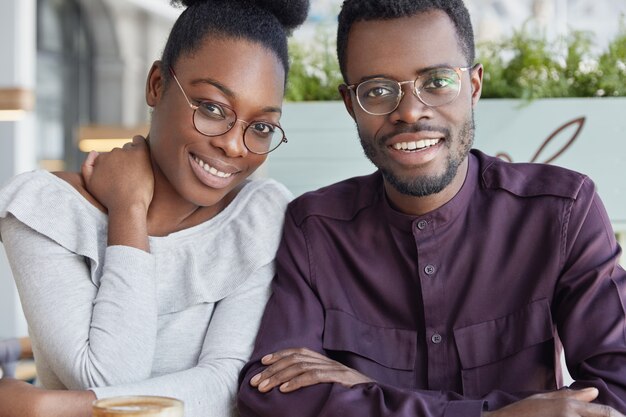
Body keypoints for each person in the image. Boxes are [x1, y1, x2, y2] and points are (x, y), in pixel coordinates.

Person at [237, 1, 626, 416]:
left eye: (437, 81)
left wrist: (373, 390)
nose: (409, 112)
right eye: (378, 90)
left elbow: (616, 397)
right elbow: (272, 396)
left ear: (474, 85)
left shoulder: (563, 211)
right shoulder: (314, 230)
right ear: (351, 104)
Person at [0, 0, 308, 416]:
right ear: (158, 84)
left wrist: (49, 408)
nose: (235, 146)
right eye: (213, 108)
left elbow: (226, 383)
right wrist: (128, 208)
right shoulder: (46, 209)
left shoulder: (260, 216)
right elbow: (106, 379)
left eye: (261, 127)